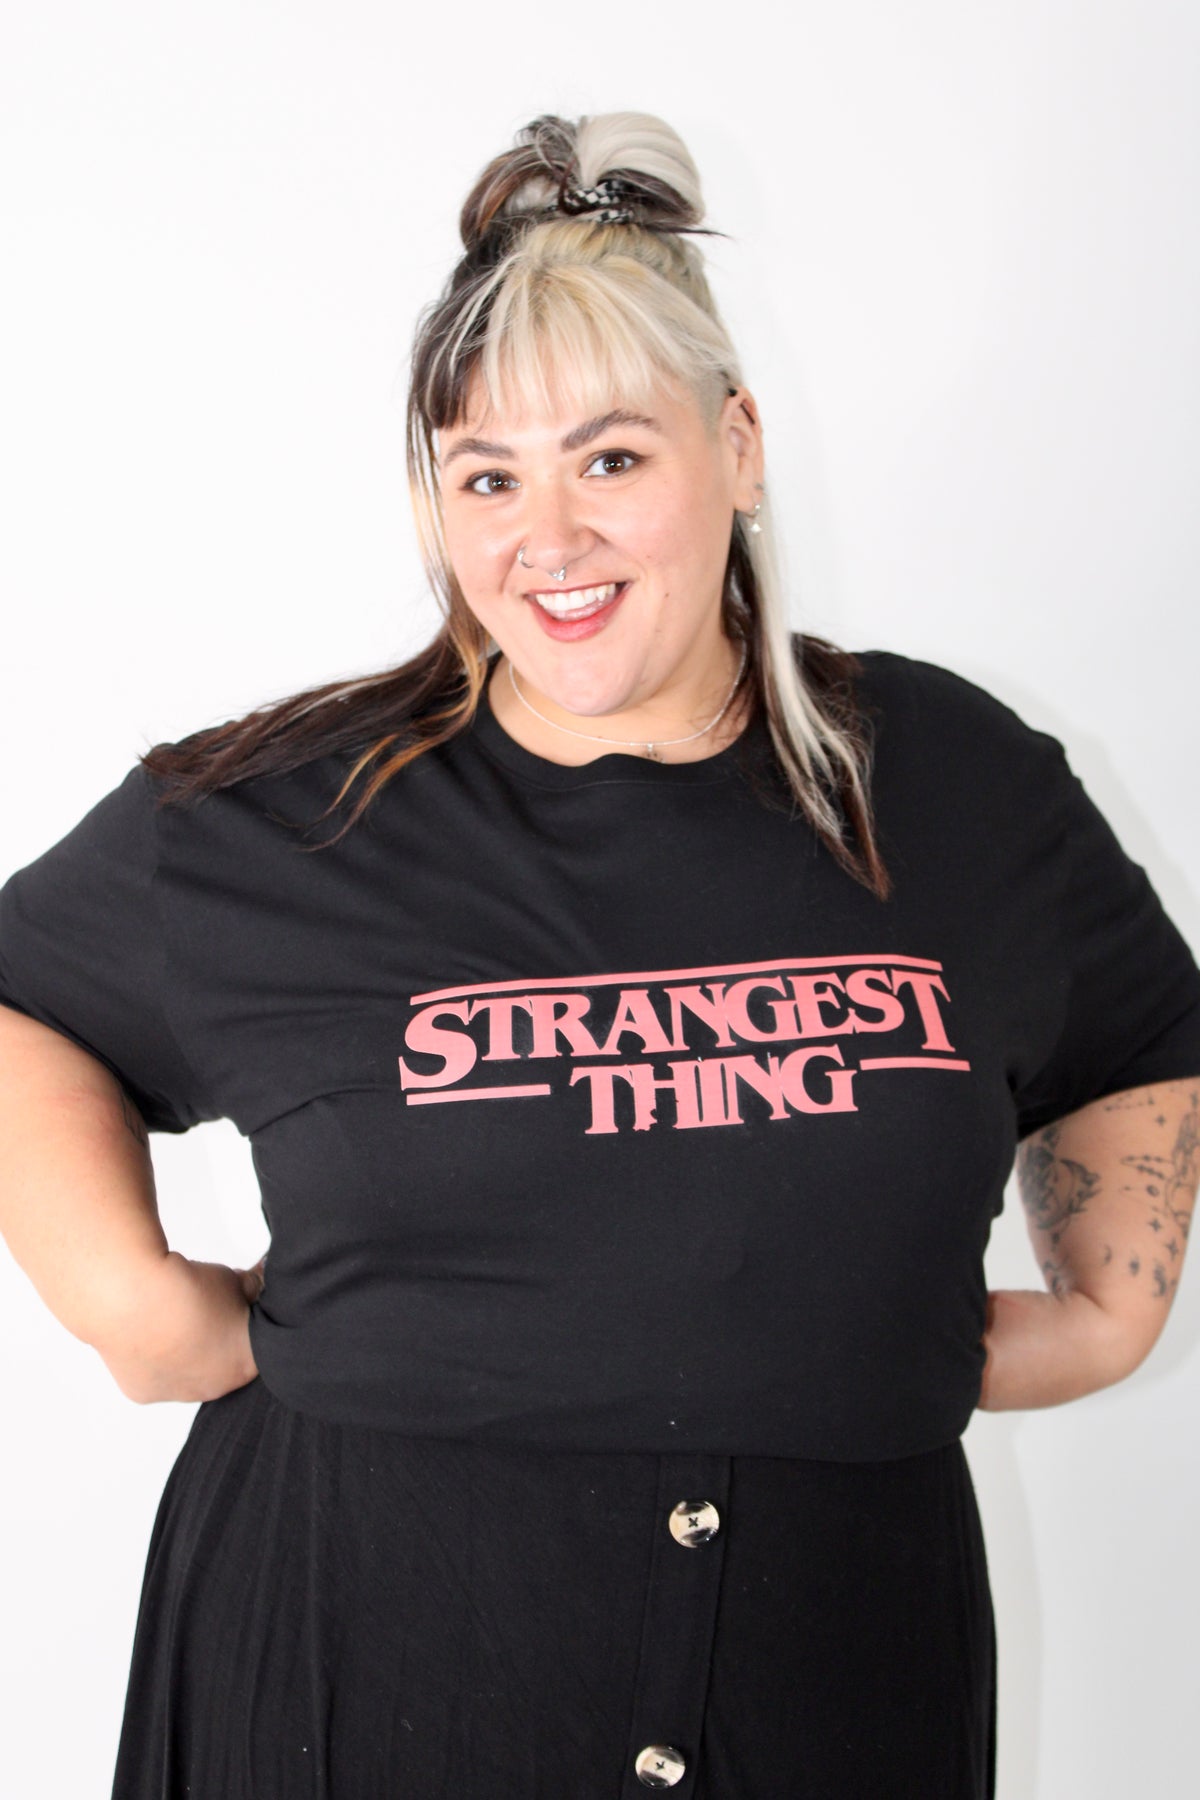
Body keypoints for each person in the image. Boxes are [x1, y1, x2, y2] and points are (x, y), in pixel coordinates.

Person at [1, 109, 1198, 1800]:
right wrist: (128, 1301)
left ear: (741, 445)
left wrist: (1105, 1316)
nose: (545, 540)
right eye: (486, 476)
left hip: (833, 1689)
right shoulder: (285, 817)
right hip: (357, 1680)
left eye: (612, 460)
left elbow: (1136, 1030)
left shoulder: (949, 781)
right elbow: (24, 994)